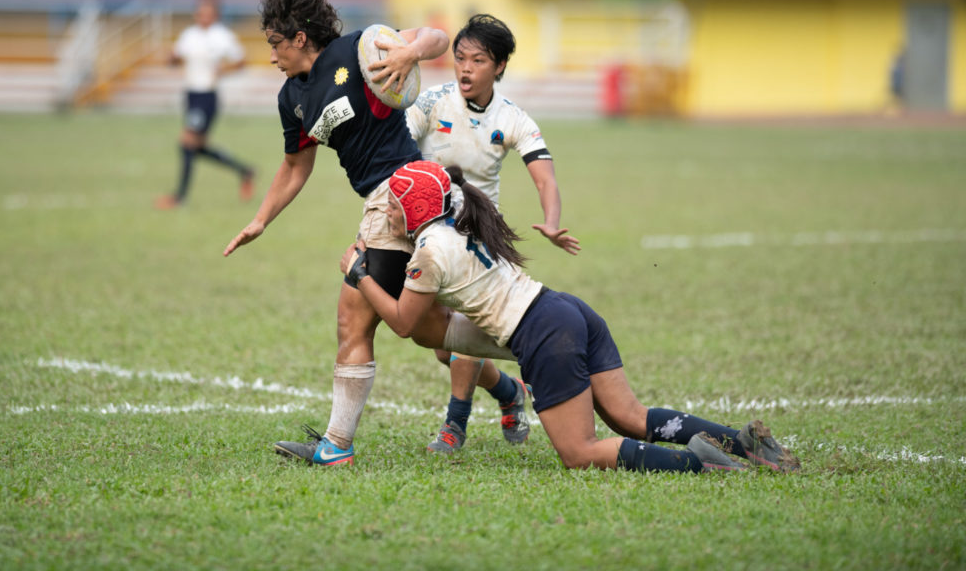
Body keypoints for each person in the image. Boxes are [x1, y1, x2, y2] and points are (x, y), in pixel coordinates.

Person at [339, 160, 802, 474]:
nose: (388, 216)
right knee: (629, 416)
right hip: (567, 308)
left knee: (579, 453)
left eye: (393, 208)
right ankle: (742, 443)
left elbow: (402, 323)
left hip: (543, 332)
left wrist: (359, 274)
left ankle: (700, 464)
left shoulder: (427, 252)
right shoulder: (458, 216)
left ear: (416, 209)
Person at [223, 0, 509, 467]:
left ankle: (336, 447)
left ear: (299, 37)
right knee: (428, 330)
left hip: (401, 193)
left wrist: (410, 50)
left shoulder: (359, 50)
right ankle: (521, 366)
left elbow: (439, 37)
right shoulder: (291, 98)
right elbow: (295, 165)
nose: (270, 55)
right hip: (393, 202)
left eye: (275, 43)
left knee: (354, 319)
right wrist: (261, 219)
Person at [405, 13, 580, 453]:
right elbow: (398, 146)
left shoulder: (513, 117)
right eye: (460, 58)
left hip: (478, 232)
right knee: (443, 346)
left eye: (477, 60)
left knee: (468, 322)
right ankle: (508, 392)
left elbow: (545, 177)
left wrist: (552, 220)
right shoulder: (432, 101)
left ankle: (454, 425)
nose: (465, 68)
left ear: (499, 66)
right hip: (427, 230)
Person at [156, 0, 256, 209]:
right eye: (200, 12)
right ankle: (244, 171)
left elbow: (241, 61)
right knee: (195, 147)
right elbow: (176, 59)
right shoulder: (189, 35)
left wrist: (223, 70)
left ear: (215, 15)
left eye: (208, 12)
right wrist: (170, 58)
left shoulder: (222, 36)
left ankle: (180, 197)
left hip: (207, 96)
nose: (203, 16)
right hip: (191, 95)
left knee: (187, 142)